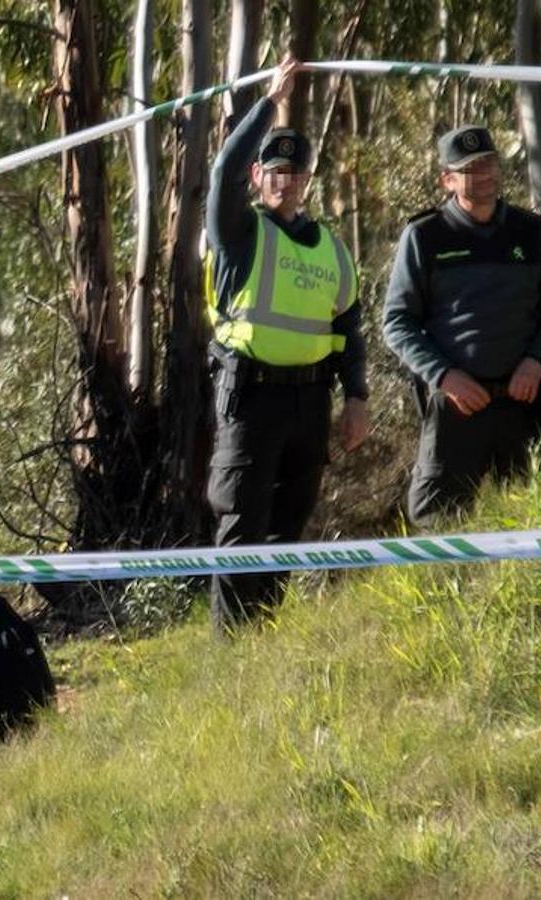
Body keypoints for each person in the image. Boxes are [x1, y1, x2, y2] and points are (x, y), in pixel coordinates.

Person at [204, 56, 369, 633]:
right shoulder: (240, 231)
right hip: (250, 400)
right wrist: (270, 102)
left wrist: (356, 397)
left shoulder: (331, 249)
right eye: (274, 171)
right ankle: (231, 647)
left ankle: (263, 634)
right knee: (241, 525)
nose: (284, 181)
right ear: (259, 177)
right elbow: (223, 168)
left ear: (305, 180)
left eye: (294, 174)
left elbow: (348, 326)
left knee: (287, 526)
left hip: (308, 404)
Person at [383, 124, 541, 526]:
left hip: (525, 402)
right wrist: (443, 375)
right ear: (448, 179)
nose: (484, 175)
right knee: (437, 522)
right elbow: (397, 322)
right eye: (471, 168)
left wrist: (536, 362)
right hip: (458, 406)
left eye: (489, 164)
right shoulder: (424, 235)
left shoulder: (530, 230)